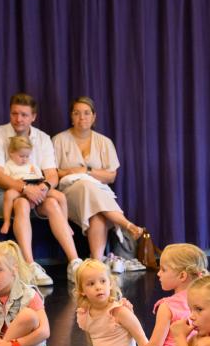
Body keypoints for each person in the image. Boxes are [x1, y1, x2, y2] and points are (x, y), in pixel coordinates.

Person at [0, 259, 148, 346]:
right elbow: (94, 342)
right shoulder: (86, 314)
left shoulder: (120, 312)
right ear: (82, 290)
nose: (98, 287)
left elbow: (145, 345)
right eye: (91, 284)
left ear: (110, 284)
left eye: (103, 281)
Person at [0, 92, 82, 286]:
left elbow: (51, 175)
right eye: (14, 113)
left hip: (36, 192)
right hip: (1, 193)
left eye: (24, 115)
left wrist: (43, 188)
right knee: (21, 203)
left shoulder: (43, 138)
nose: (18, 119)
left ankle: (74, 263)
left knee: (52, 203)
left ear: (33, 117)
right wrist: (25, 189)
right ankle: (29, 266)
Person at [52, 96, 146, 272]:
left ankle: (96, 264)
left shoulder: (104, 142)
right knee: (86, 186)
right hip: (69, 196)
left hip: (98, 194)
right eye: (77, 113)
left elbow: (111, 176)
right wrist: (74, 173)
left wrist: (86, 171)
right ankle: (126, 224)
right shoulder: (59, 140)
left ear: (94, 117)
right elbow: (52, 173)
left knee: (96, 212)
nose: (82, 117)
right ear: (71, 117)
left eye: (86, 113)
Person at [110, 243, 208, 346]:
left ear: (182, 276)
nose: (158, 273)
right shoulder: (206, 302)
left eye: (163, 269)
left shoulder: (167, 306)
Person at [0, 136, 43, 235]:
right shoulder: (9, 165)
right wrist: (16, 182)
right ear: (11, 153)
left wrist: (38, 182)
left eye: (27, 156)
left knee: (58, 195)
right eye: (21, 156)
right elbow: (7, 180)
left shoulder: (31, 165)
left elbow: (40, 177)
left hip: (33, 187)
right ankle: (7, 221)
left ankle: (65, 222)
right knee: (8, 194)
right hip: (18, 190)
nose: (24, 159)